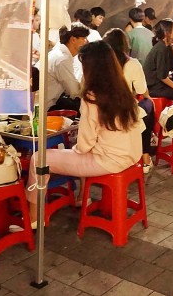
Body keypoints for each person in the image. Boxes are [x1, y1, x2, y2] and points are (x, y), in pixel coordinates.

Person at [26, 40, 144, 226]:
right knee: (81, 151)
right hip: (131, 156)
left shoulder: (92, 96)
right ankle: (83, 197)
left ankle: (34, 219)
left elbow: (85, 144)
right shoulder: (123, 90)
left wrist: (76, 146)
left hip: (109, 161)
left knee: (38, 159)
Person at [103, 29, 155, 173]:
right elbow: (141, 90)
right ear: (125, 45)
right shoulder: (132, 63)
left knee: (141, 114)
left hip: (103, 108)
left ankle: (144, 155)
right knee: (147, 108)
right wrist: (147, 98)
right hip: (124, 109)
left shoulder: (99, 65)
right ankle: (146, 157)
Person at [45, 25, 88, 112]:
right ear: (73, 39)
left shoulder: (58, 53)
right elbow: (74, 91)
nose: (85, 42)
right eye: (83, 38)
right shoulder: (62, 59)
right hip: (47, 108)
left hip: (50, 102)